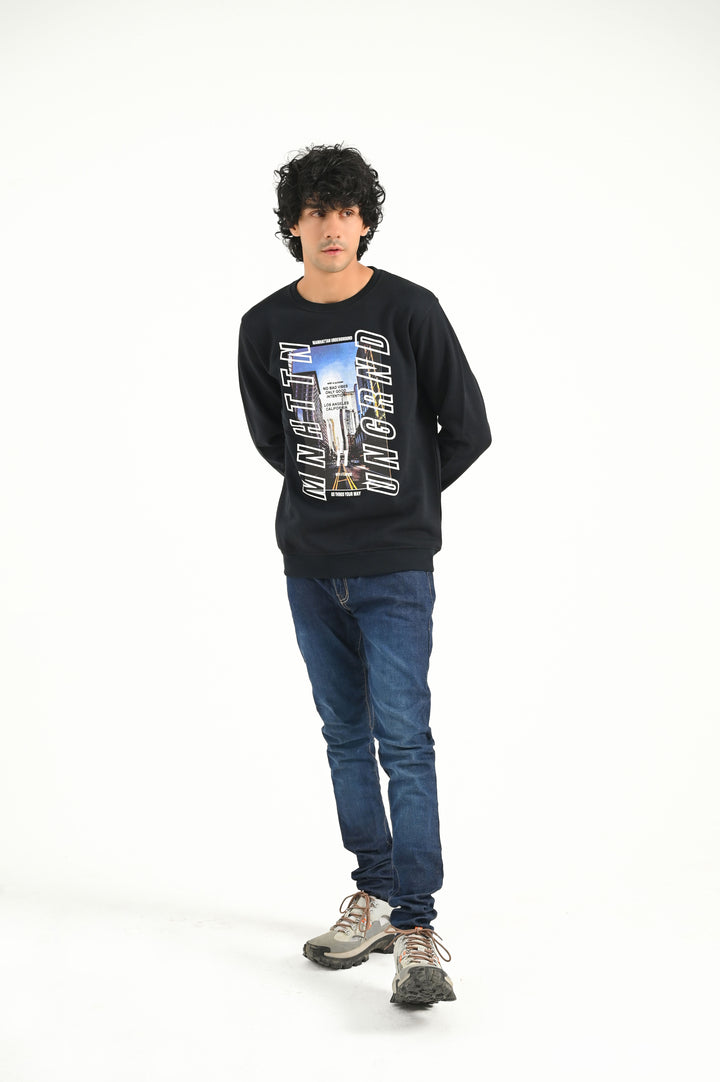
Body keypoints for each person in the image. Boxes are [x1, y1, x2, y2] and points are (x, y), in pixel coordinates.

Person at [237, 144, 491, 1006]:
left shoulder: (410, 309)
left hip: (394, 567)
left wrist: (400, 501)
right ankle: (374, 896)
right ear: (293, 225)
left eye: (344, 210)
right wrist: (335, 498)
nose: (331, 226)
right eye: (315, 210)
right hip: (310, 565)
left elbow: (468, 427)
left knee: (405, 742)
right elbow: (274, 439)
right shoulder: (264, 326)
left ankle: (417, 928)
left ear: (366, 221)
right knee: (345, 737)